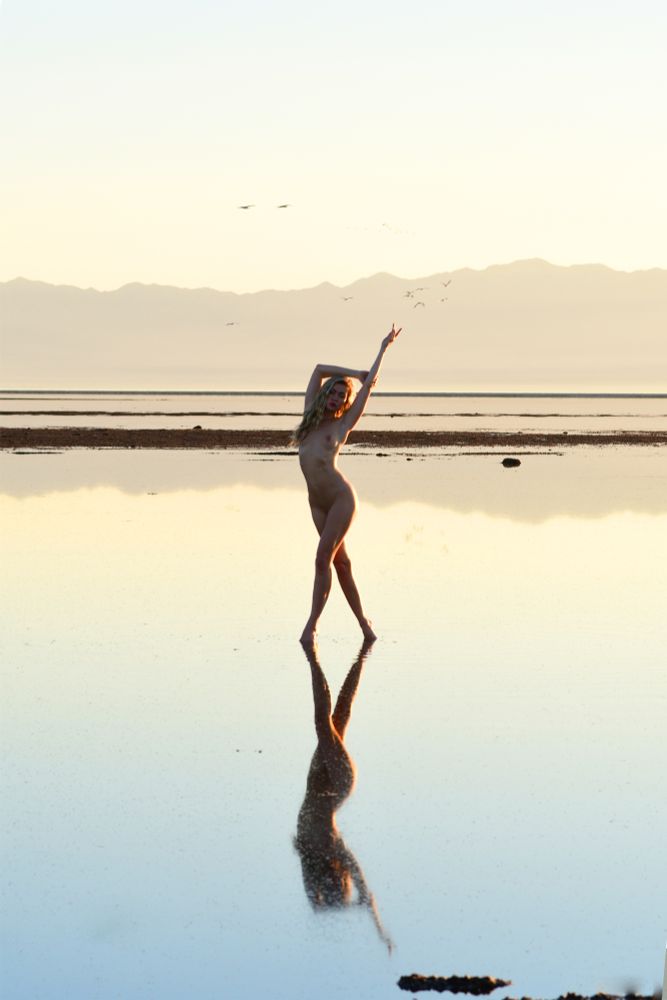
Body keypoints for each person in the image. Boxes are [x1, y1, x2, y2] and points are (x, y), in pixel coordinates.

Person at [292, 324, 402, 644]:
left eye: (343, 394)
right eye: (335, 391)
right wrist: (353, 372)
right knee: (341, 564)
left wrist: (382, 350)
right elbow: (318, 369)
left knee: (321, 559)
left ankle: (311, 626)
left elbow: (368, 389)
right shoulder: (310, 412)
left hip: (341, 499)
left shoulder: (343, 424)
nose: (338, 396)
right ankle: (364, 624)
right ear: (326, 394)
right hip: (316, 503)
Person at [293, 640, 393, 951]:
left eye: (339, 887)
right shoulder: (333, 849)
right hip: (337, 781)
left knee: (333, 720)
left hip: (323, 781)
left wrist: (347, 907)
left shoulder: (312, 859)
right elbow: (361, 886)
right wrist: (362, 907)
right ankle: (316, 658)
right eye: (342, 886)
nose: (342, 883)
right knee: (329, 722)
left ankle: (317, 658)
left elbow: (316, 906)